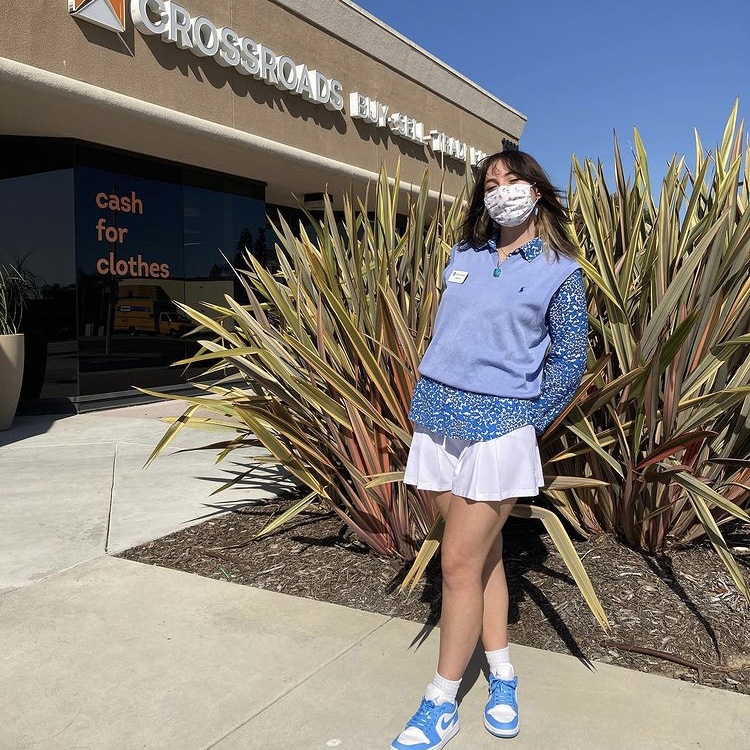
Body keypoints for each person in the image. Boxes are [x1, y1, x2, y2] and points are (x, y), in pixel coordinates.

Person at [390, 150, 589, 750]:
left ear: (537, 189)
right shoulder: (465, 257)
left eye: (513, 181)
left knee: (454, 566)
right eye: (490, 184)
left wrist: (524, 422)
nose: (501, 192)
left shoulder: (560, 270)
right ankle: (501, 674)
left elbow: (568, 360)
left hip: (499, 429)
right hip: (436, 420)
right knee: (482, 559)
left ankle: (440, 702)